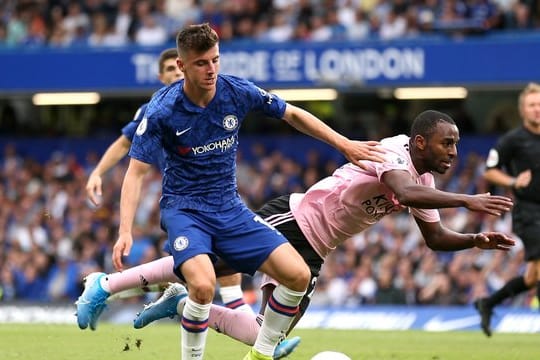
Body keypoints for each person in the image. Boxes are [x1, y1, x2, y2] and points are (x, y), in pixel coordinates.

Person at [75, 23, 386, 360]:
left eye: (215, 60)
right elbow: (135, 174)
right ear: (182, 66)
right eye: (201, 63)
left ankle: (260, 354)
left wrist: (344, 143)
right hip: (185, 209)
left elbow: (292, 114)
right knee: (204, 286)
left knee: (297, 275)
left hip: (230, 209)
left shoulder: (236, 91)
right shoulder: (162, 110)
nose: (211, 70)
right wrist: (124, 230)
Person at [130, 110, 515, 347]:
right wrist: (467, 200)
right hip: (296, 219)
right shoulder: (394, 152)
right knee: (210, 266)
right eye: (446, 143)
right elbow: (403, 191)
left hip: (317, 248)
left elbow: (434, 237)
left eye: (456, 145)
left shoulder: (424, 184)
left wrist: (473, 239)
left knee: (269, 332)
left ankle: (181, 304)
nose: (453, 152)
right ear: (419, 142)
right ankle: (114, 284)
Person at [84, 47, 252, 314]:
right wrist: (97, 173)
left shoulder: (210, 99)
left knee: (221, 269)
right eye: (170, 70)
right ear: (161, 77)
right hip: (183, 203)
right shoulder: (155, 110)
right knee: (204, 269)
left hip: (217, 199)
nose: (176, 73)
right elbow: (123, 144)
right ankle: (112, 287)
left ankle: (127, 290)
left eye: (178, 68)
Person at [474, 82, 540, 337]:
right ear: (523, 110)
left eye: (539, 105)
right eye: (532, 105)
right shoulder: (513, 140)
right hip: (529, 212)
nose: (537, 110)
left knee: (533, 277)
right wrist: (513, 181)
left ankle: (488, 303)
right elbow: (489, 169)